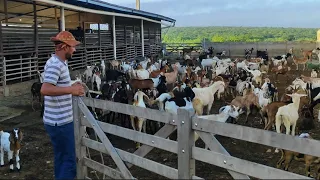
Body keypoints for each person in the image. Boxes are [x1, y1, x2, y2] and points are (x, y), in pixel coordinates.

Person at [40, 31, 85, 180]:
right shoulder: (55, 65)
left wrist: (72, 84)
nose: (74, 50)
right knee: (69, 160)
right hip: (60, 122)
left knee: (61, 158)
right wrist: (72, 89)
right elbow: (45, 89)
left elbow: (57, 84)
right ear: (64, 47)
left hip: (56, 120)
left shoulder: (59, 63)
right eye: (72, 47)